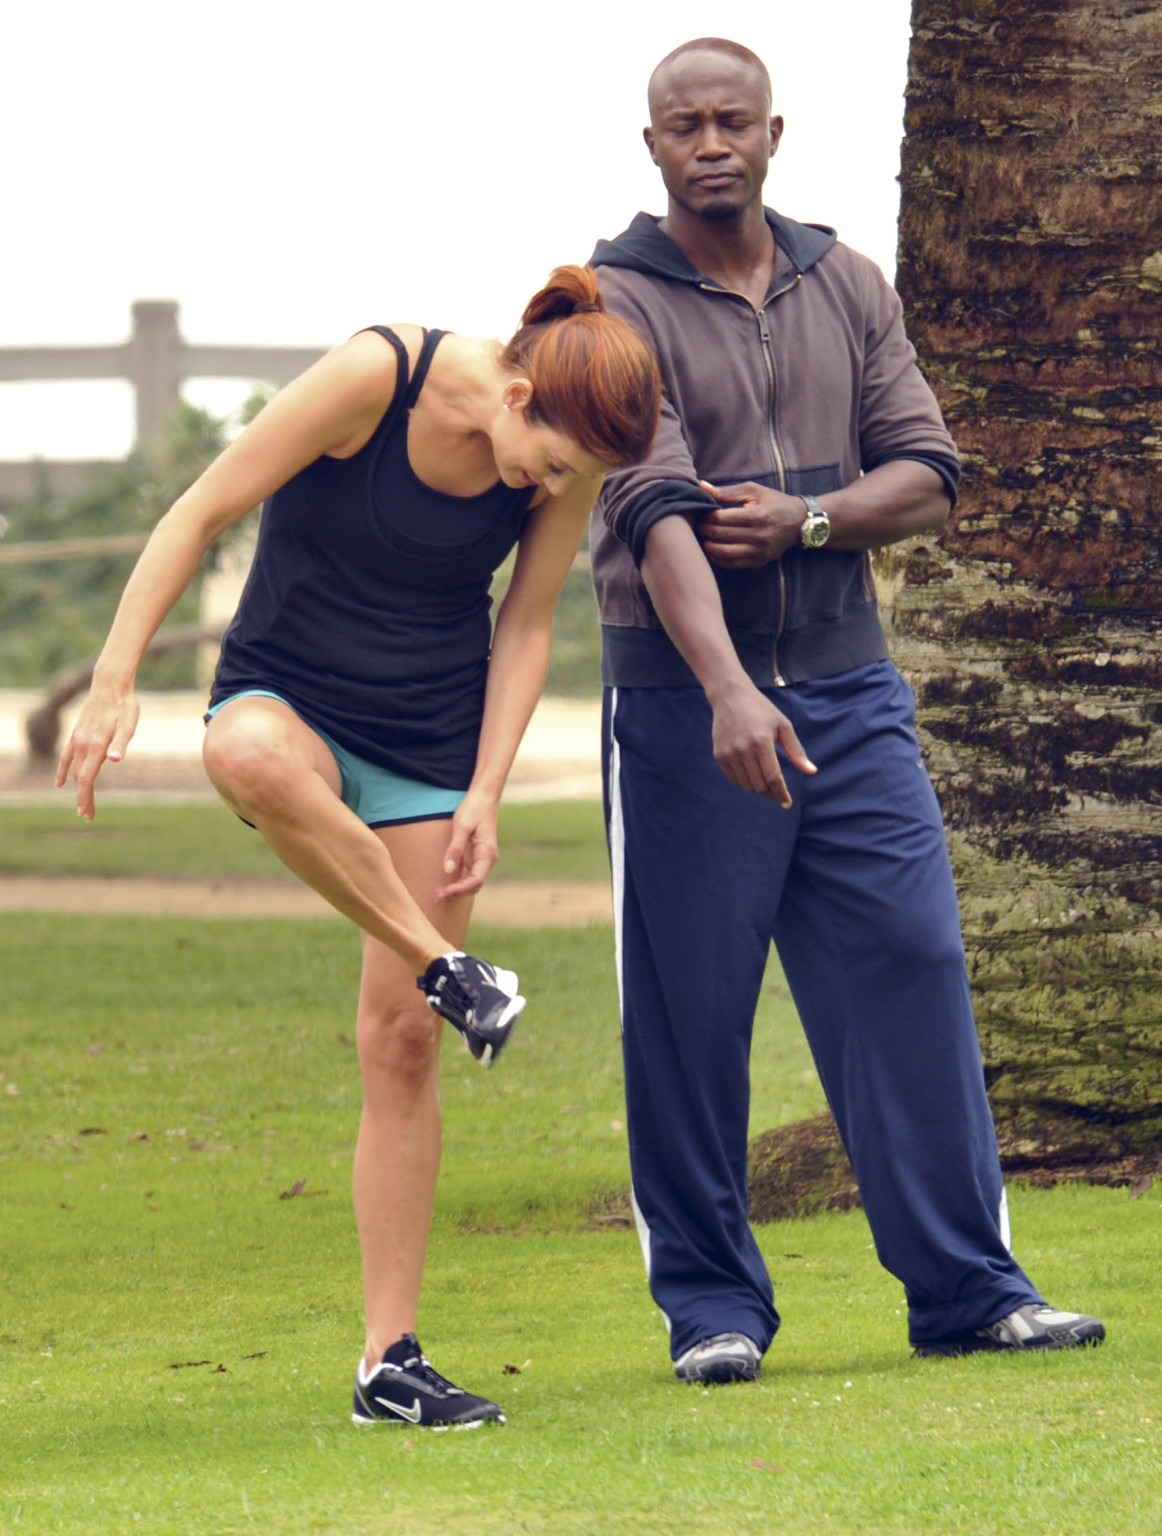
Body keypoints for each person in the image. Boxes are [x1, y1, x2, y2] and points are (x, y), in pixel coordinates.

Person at [57, 265, 662, 1427]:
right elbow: (202, 509)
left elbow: (526, 621)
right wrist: (115, 673)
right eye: (553, 463)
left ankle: (389, 1364)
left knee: (401, 1045)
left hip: (431, 740)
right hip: (289, 701)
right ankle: (451, 966)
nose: (549, 486)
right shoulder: (377, 376)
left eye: (575, 480)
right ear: (519, 389)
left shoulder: (557, 455)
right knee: (243, 757)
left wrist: (486, 789)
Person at [588, 38, 1105, 1384]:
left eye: (732, 122)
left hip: (851, 694)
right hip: (683, 712)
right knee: (690, 1015)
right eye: (683, 125)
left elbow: (925, 472)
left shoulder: (846, 284)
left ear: (772, 133)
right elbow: (649, 510)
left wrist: (812, 519)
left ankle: (969, 1290)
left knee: (912, 975)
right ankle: (711, 1310)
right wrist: (721, 695)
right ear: (651, 146)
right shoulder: (607, 301)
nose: (710, 143)